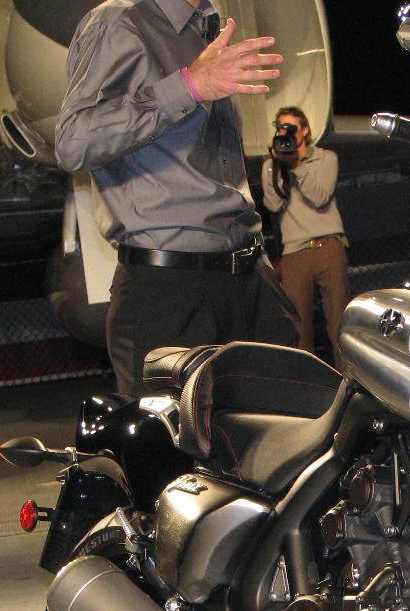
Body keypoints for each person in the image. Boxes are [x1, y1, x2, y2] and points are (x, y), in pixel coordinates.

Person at [55, 0, 300, 397]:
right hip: (169, 291)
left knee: (286, 426)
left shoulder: (207, 25)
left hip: (249, 278)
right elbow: (73, 143)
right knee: (173, 437)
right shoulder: (120, 20)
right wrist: (187, 86)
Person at [260, 106, 350, 355]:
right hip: (294, 252)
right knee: (298, 327)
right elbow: (272, 204)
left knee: (338, 322)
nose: (285, 132)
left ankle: (347, 375)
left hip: (328, 246)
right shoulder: (271, 165)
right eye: (280, 127)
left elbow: (320, 197)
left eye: (290, 127)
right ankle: (306, 377)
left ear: (305, 130)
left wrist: (297, 165)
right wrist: (277, 165)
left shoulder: (325, 158)